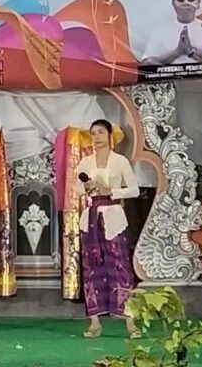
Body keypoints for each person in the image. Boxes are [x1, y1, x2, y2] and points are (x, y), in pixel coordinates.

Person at [76, 119, 140, 338]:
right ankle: (95, 322)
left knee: (120, 267)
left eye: (101, 132)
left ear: (109, 135)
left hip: (113, 218)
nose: (97, 137)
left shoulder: (120, 161)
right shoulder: (85, 162)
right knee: (91, 268)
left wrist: (112, 191)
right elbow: (76, 189)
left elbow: (134, 190)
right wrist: (86, 186)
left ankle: (130, 322)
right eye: (93, 133)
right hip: (91, 219)